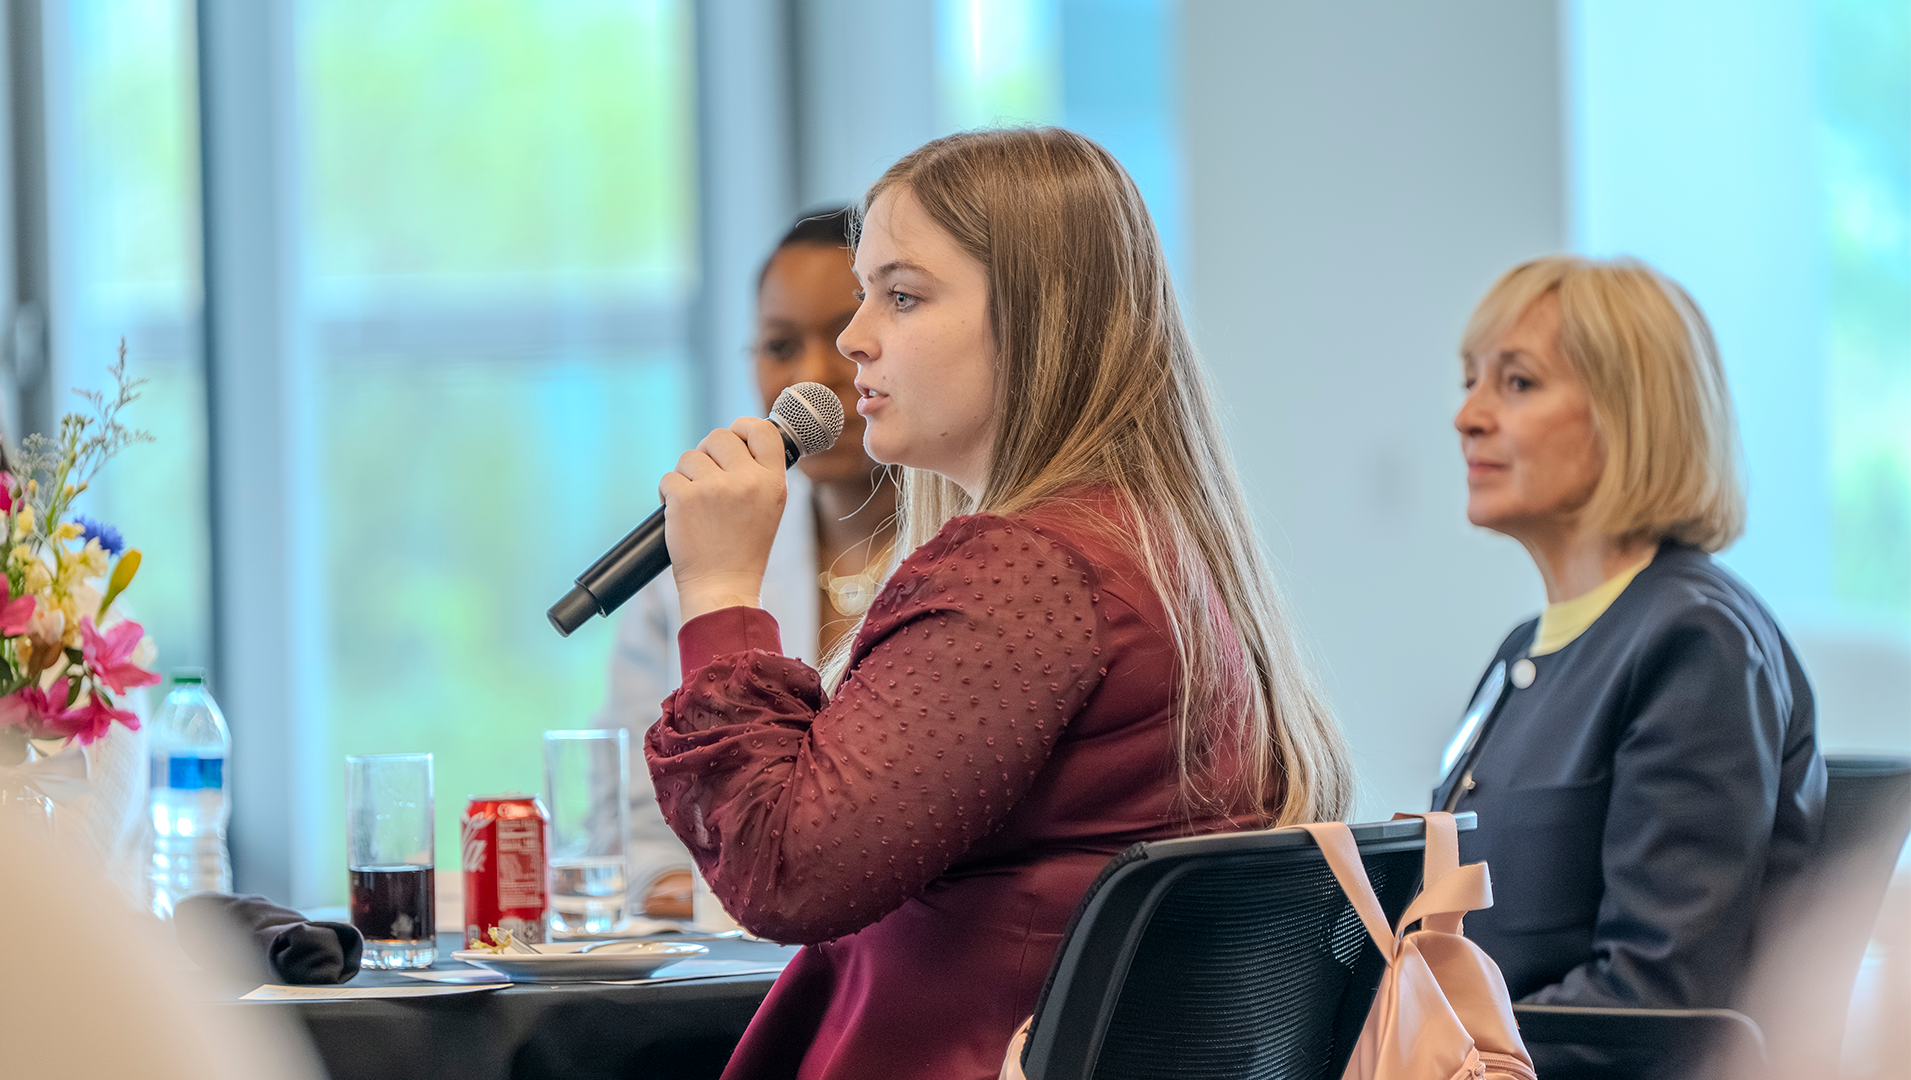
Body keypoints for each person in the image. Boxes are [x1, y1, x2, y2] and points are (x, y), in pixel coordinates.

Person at [645, 127, 1354, 1079]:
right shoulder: (1138, 544)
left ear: (1035, 320)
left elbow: (784, 871)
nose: (852, 339)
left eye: (901, 296)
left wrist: (721, 593)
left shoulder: (1026, 572)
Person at [1438, 255, 1824, 1074]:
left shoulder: (1696, 642)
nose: (1467, 416)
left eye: (1517, 383)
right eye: (1471, 382)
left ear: (1629, 414)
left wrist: (1439, 1059)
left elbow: (1653, 1000)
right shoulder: (1523, 650)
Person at [598, 209, 899, 919]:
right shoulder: (698, 549)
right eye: (780, 346)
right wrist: (719, 905)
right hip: (725, 959)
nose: (812, 378)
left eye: (844, 337)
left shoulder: (975, 561)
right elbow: (628, 828)